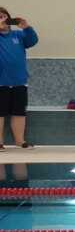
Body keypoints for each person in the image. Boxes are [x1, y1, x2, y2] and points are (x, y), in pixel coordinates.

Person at [0, 8, 38, 150]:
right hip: (1, 82)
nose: (2, 19)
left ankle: (20, 141)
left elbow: (33, 41)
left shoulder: (18, 35)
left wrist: (27, 28)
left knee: (19, 112)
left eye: (4, 16)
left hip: (19, 81)